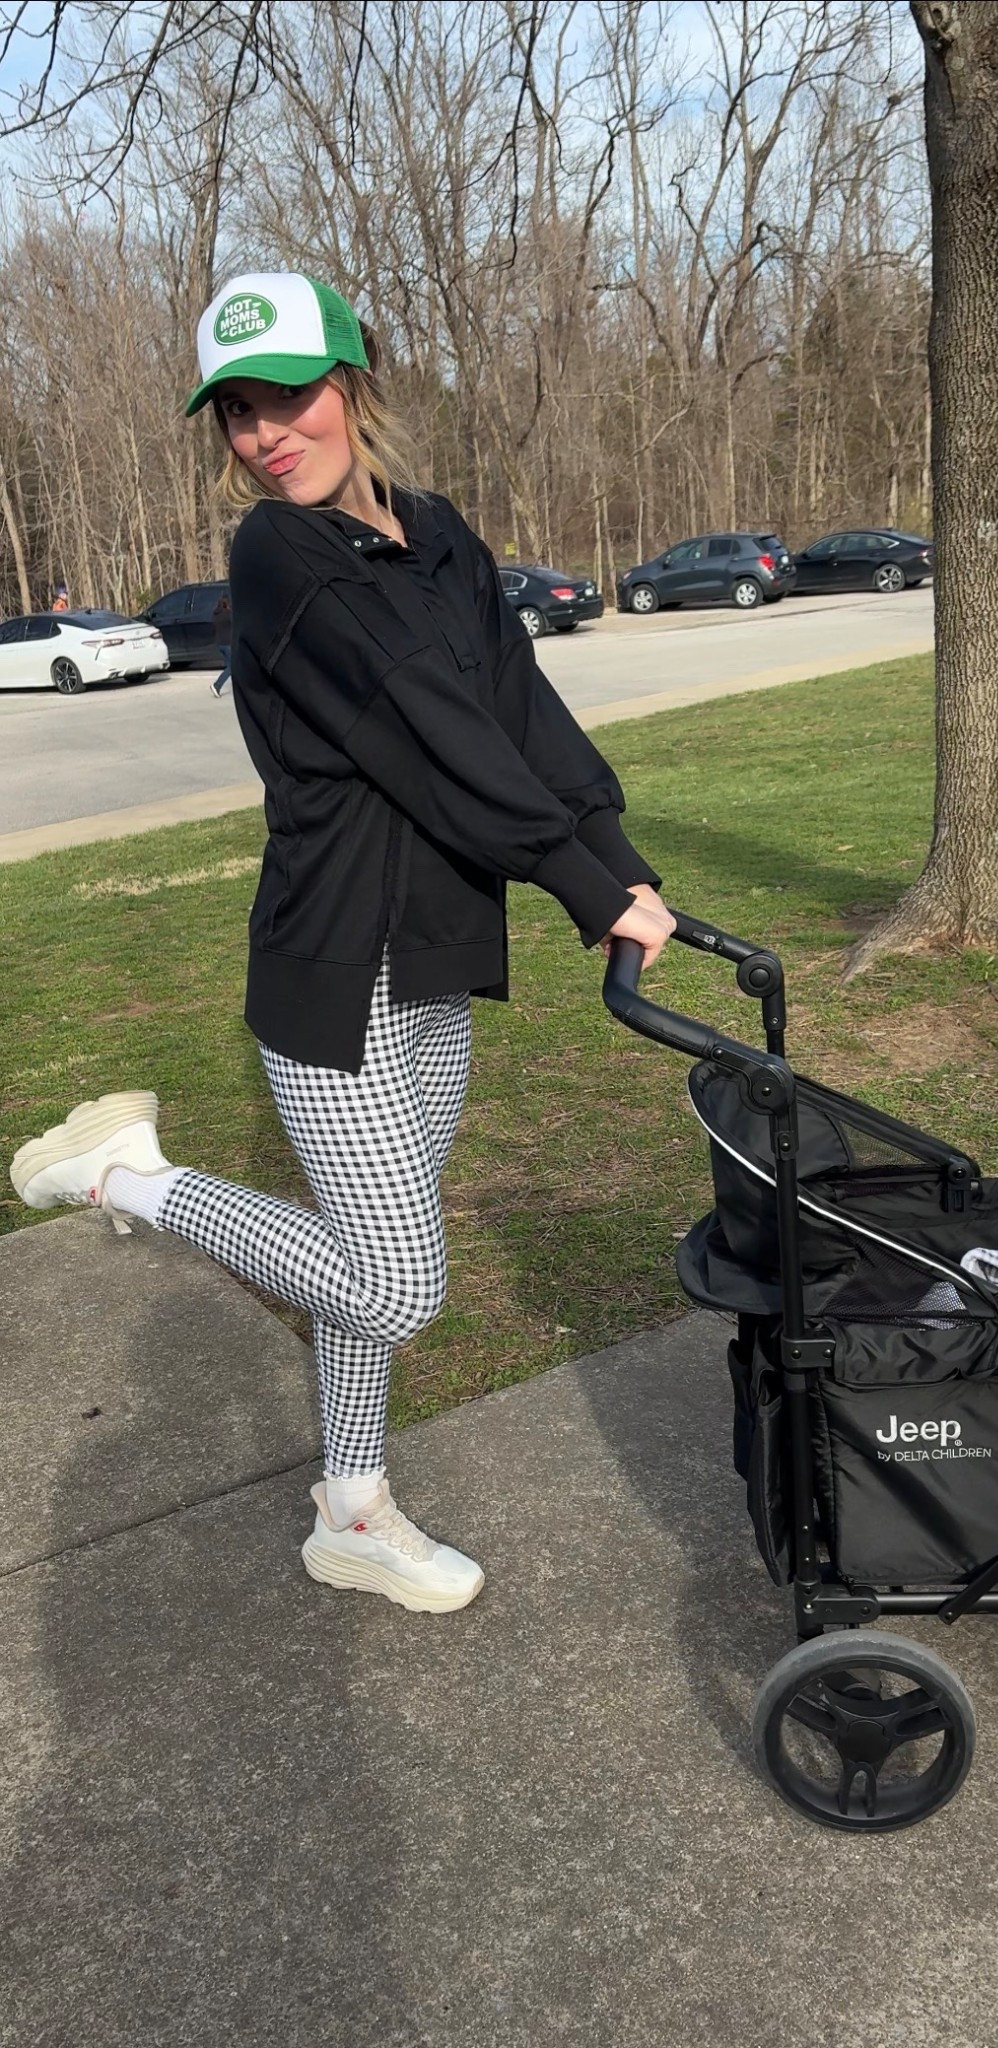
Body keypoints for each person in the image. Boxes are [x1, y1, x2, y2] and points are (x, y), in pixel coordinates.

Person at [9, 271, 674, 1615]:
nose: (267, 434)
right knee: (394, 1280)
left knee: (362, 1262)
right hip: (336, 977)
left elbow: (517, 710)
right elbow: (424, 723)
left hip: (430, 969)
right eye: (239, 414)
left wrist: (619, 865)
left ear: (353, 384)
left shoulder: (436, 536)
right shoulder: (279, 556)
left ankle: (351, 1508)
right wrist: (568, 877)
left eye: (289, 397)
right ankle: (125, 1176)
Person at [210, 589, 232, 696]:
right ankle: (217, 685)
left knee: (230, 667)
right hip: (228, 644)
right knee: (232, 667)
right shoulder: (228, 614)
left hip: (220, 644)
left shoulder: (215, 614)